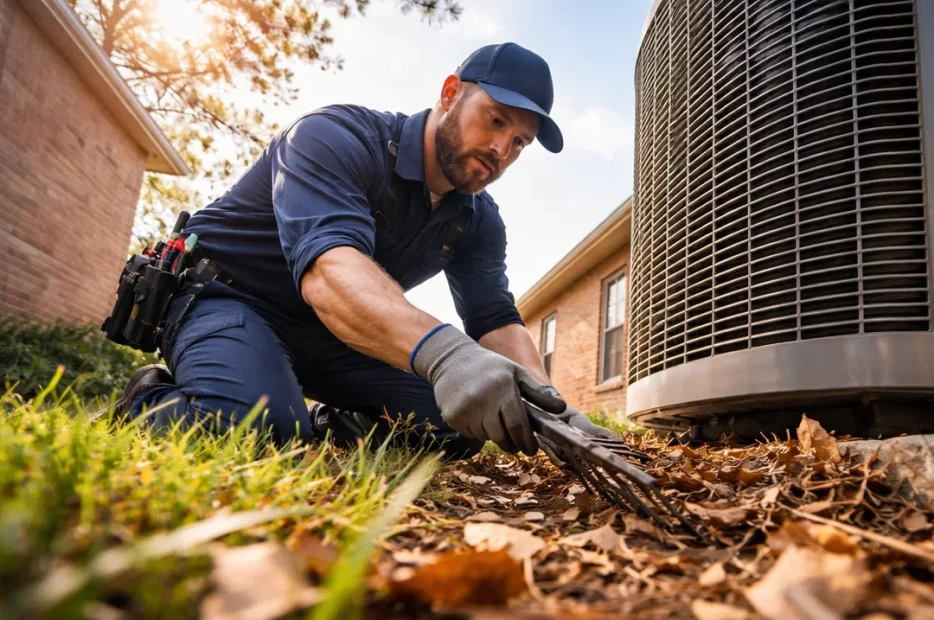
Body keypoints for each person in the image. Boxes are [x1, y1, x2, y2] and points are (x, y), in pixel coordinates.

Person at [115, 42, 618, 458]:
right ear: (449, 94)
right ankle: (149, 398)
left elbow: (496, 320)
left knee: (464, 424)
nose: (501, 149)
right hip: (226, 298)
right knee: (261, 427)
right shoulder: (335, 137)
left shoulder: (476, 219)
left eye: (520, 142)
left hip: (333, 334)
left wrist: (555, 408)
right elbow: (329, 274)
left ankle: (333, 423)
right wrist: (448, 356)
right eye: (495, 120)